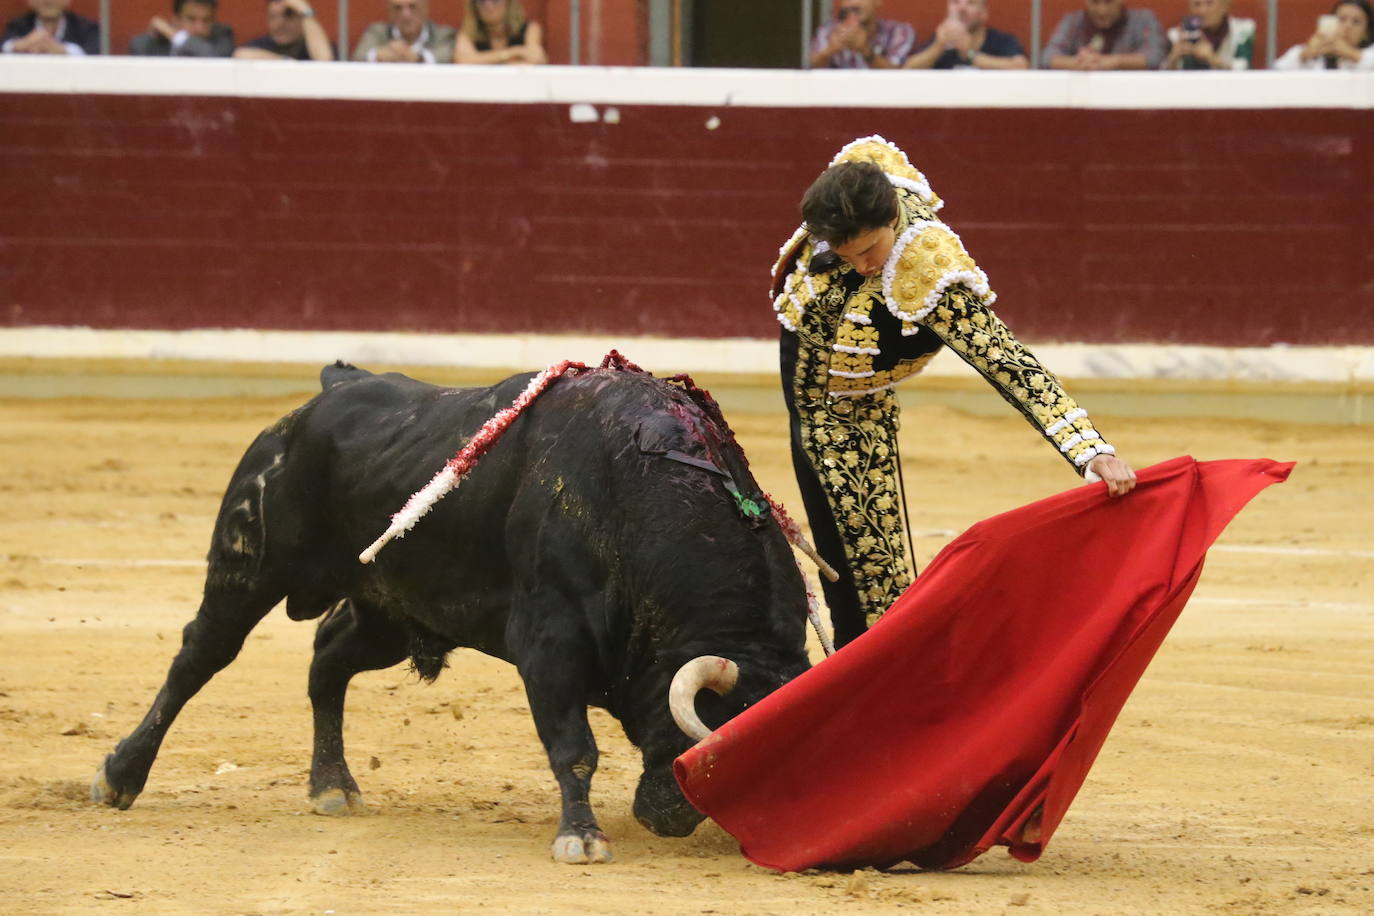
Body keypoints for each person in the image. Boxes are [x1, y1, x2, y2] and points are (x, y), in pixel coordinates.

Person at [772, 136, 1136, 648]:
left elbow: (1007, 362)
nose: (863, 266)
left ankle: (878, 686)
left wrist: (1090, 449)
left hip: (850, 417)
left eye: (870, 250)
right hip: (809, 399)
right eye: (847, 255)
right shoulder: (856, 187)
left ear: (893, 219)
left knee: (872, 588)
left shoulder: (927, 268)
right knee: (850, 571)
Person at [1042, 0, 1167, 70]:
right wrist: (1078, 63)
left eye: (1109, 2)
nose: (1102, 10)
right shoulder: (1073, 22)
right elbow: (1047, 57)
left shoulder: (1144, 20)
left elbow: (1155, 56)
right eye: (1095, 2)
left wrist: (1115, 62)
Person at [904, 0, 1027, 70]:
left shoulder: (1001, 41)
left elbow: (1021, 67)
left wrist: (969, 55)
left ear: (984, 13)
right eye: (955, 2)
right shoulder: (938, 41)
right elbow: (908, 69)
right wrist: (938, 47)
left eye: (971, 3)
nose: (961, 9)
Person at [810, 0, 915, 69]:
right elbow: (804, 70)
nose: (853, 3)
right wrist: (828, 51)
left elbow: (899, 75)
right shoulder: (827, 32)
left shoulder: (898, 32)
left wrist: (866, 51)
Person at [1273, 0, 1374, 70]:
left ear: (1366, 32)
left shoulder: (1370, 53)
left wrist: (1349, 53)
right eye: (1342, 19)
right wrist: (1306, 53)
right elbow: (1277, 70)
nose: (1347, 26)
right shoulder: (1313, 54)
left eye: (1356, 22)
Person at [352, 0, 457, 64]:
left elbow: (447, 56)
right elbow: (358, 56)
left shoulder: (443, 34)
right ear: (389, 12)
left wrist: (418, 58)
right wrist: (379, 54)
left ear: (425, 8)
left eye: (412, 7)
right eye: (398, 8)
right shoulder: (377, 32)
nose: (406, 15)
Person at [1161, 0, 1255, 70]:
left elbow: (1243, 68)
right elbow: (1160, 79)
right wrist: (1173, 59)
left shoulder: (1242, 30)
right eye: (1197, 4)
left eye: (1209, 3)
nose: (1202, 10)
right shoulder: (1176, 36)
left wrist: (1213, 59)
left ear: (1225, 5)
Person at [233, 0, 334, 61]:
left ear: (301, 20)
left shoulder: (311, 45)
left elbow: (324, 59)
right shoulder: (263, 44)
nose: (279, 25)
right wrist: (287, 63)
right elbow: (241, 55)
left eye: (288, 16)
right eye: (273, 17)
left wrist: (306, 11)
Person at [128, 0, 234, 58]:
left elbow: (215, 59)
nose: (199, 28)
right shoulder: (144, 44)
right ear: (176, 19)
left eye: (206, 20)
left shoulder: (223, 37)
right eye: (191, 19)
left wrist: (176, 36)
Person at [454, 0, 546, 64]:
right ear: (474, 6)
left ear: (509, 3)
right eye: (481, 0)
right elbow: (465, 61)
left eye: (495, 0)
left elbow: (536, 58)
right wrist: (515, 52)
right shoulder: (468, 33)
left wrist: (484, 61)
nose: (488, 5)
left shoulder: (529, 29)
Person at [2, 0, 99, 55]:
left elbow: (94, 53)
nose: (49, 1)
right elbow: (5, 46)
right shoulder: (18, 24)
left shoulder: (86, 27)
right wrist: (25, 44)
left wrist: (60, 49)